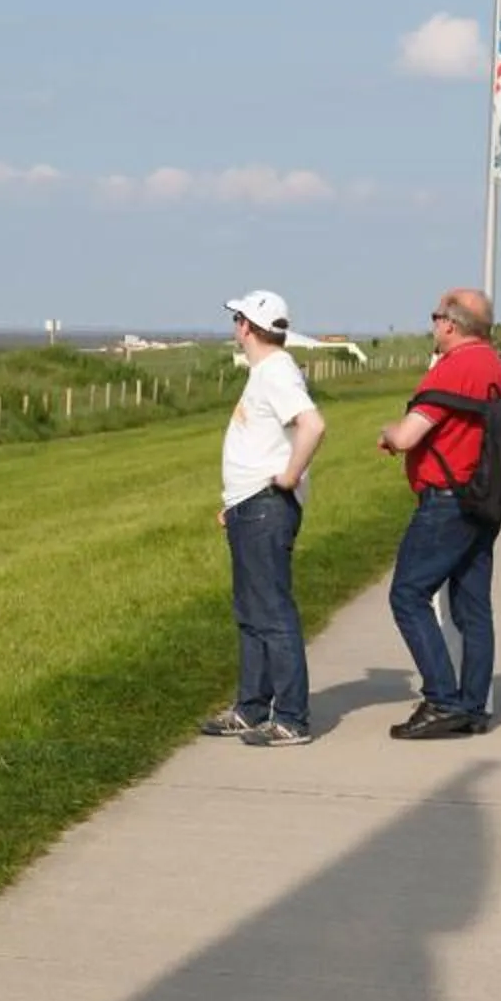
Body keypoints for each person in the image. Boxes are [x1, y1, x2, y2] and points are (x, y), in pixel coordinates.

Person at [376, 287, 501, 739]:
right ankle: (473, 706)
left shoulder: (452, 369)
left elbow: (410, 436)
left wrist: (389, 433)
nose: (433, 325)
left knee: (408, 594)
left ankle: (440, 699)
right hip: (486, 498)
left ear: (450, 324)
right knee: (474, 607)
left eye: (436, 316)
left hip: (447, 498)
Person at [199, 289, 326, 746]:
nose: (236, 328)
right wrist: (235, 502)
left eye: (238, 320)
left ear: (247, 327)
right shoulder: (268, 372)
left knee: (271, 612)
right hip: (249, 506)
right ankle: (251, 708)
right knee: (251, 611)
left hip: (265, 506)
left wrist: (289, 477)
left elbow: (313, 425)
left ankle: (291, 717)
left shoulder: (274, 371)